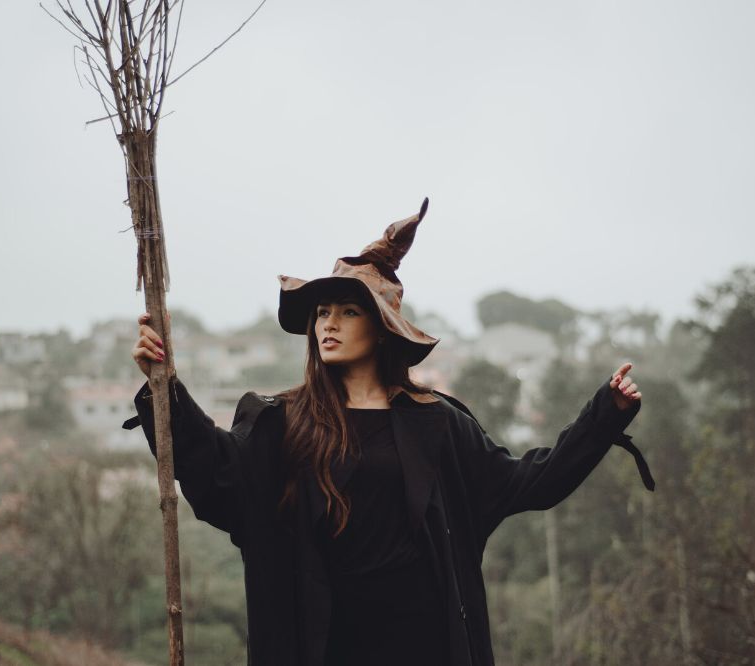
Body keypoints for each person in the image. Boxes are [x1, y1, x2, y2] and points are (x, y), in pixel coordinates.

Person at [124, 198, 654, 666]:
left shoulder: (437, 422)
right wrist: (164, 388)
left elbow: (527, 483)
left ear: (381, 329)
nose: (327, 324)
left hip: (420, 641)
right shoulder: (281, 419)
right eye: (322, 312)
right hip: (323, 642)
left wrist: (603, 414)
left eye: (347, 312)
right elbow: (221, 475)